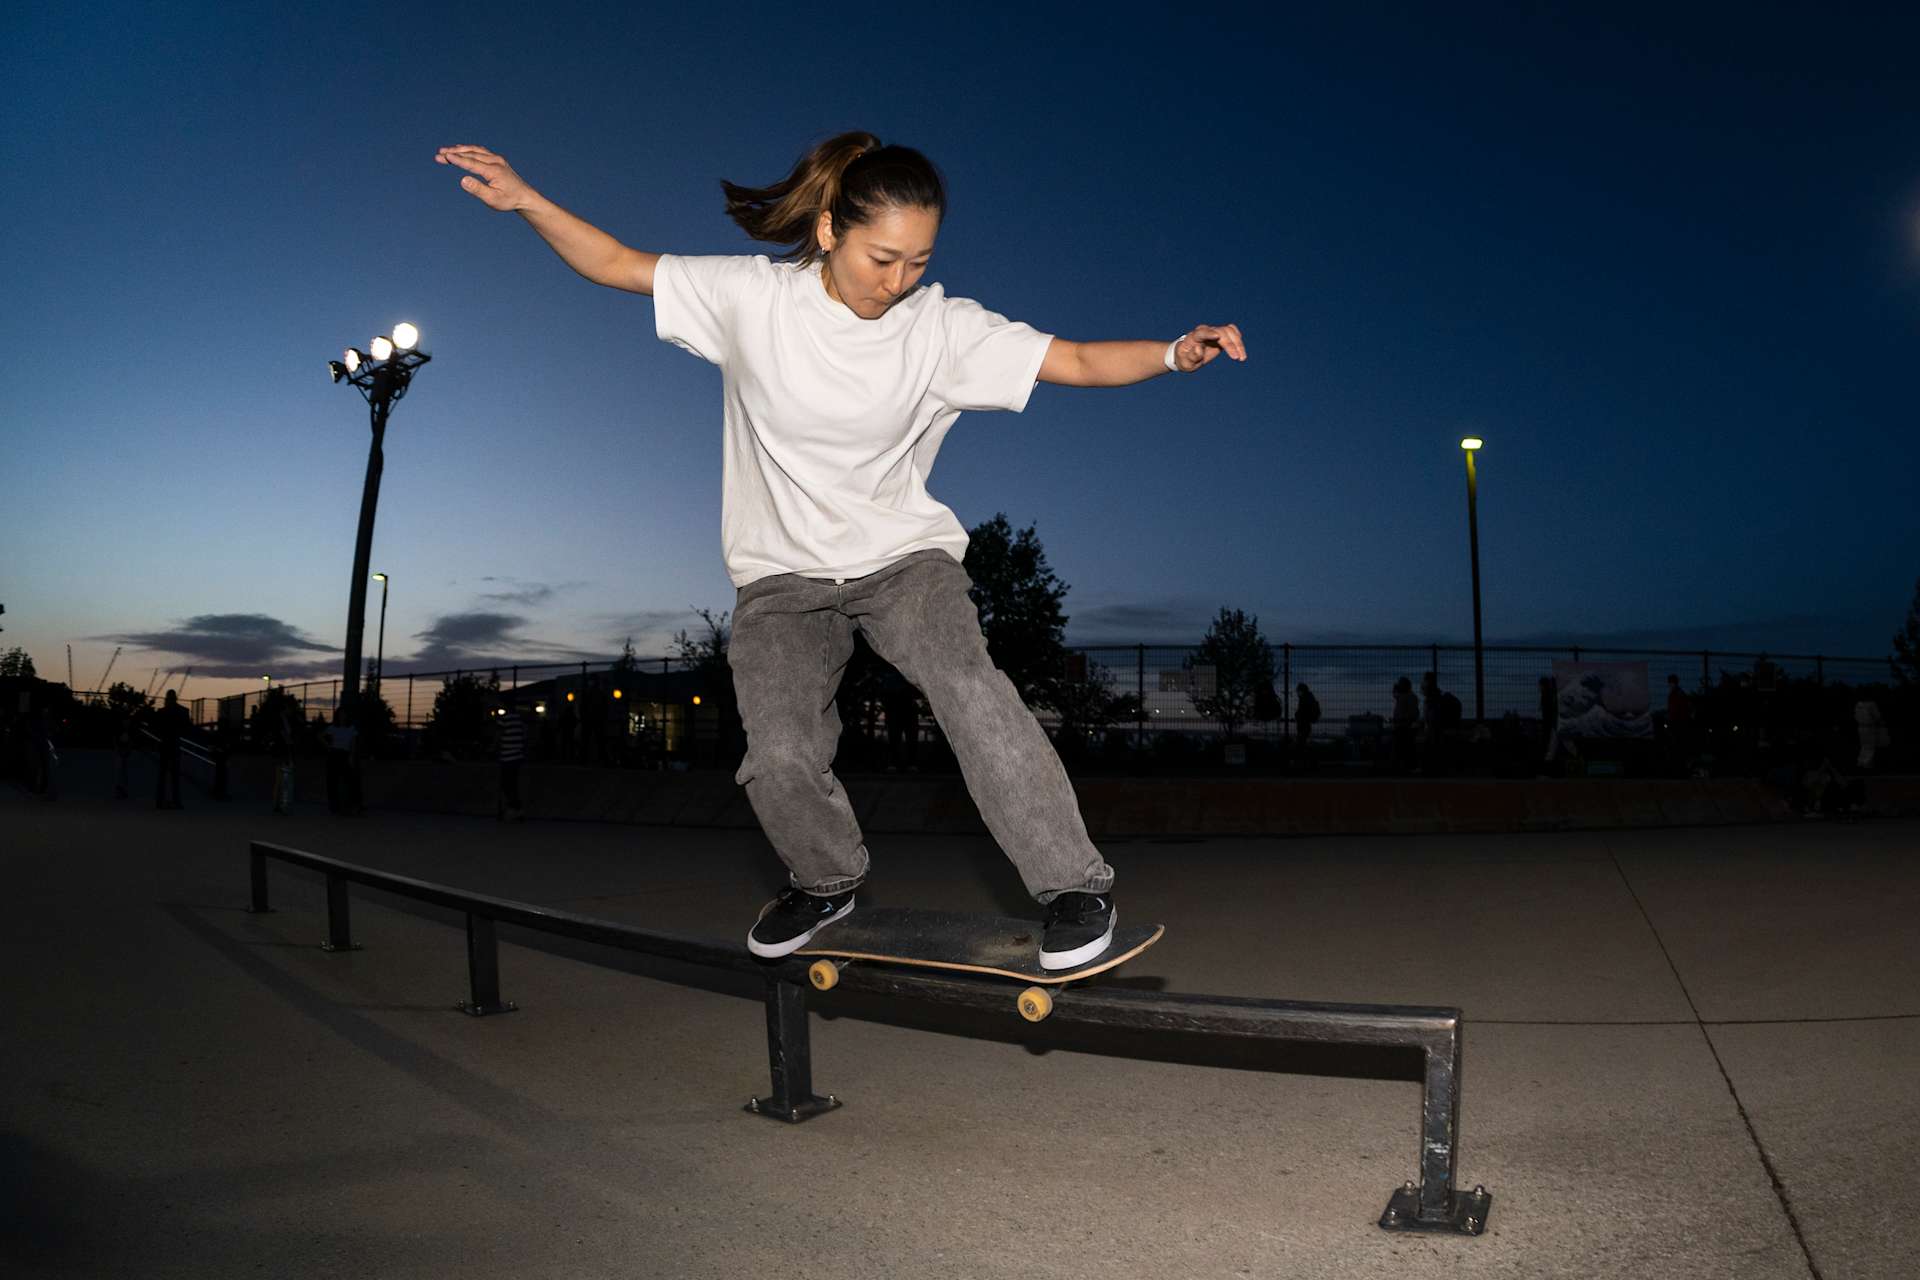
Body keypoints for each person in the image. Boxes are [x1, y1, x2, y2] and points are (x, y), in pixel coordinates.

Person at [439, 132, 1246, 969]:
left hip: (902, 562)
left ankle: (1075, 887)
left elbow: (1071, 358)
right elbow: (616, 263)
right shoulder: (751, 298)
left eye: (918, 263)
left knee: (971, 691)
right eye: (882, 259)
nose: (897, 283)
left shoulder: (941, 328)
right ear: (829, 231)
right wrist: (525, 198)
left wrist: (1172, 354)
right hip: (781, 576)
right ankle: (826, 881)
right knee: (779, 753)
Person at [154, 689, 188, 809]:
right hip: (175, 744)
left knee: (162, 775)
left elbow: (157, 728)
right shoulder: (182, 711)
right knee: (175, 776)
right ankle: (176, 801)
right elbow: (186, 728)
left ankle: (160, 801)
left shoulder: (161, 712)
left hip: (164, 744)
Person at [496, 697, 528, 821]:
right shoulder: (519, 720)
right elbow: (524, 736)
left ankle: (515, 808)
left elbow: (498, 735)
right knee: (512, 784)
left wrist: (495, 748)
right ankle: (516, 809)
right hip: (517, 756)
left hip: (507, 756)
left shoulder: (504, 719)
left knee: (506, 784)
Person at [1390, 677, 1419, 774]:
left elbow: (1412, 714)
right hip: (1402, 726)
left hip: (1404, 727)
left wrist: (1400, 719)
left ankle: (1406, 767)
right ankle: (1405, 766)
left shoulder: (1408, 697)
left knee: (1404, 748)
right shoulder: (1406, 696)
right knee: (1404, 748)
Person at [1293, 682, 1321, 748]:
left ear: (1302, 691)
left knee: (1301, 739)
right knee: (1302, 739)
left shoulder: (1305, 699)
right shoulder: (1307, 697)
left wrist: (1297, 715)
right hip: (1305, 723)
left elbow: (1303, 711)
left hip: (1304, 723)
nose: (1297, 693)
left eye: (1298, 691)